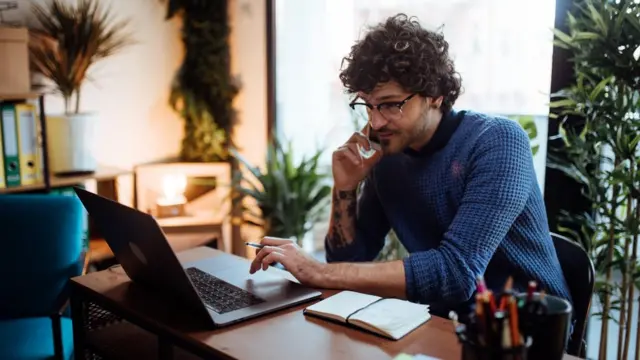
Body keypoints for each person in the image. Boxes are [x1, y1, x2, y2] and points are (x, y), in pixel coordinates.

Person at [249, 13, 571, 318]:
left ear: (435, 95)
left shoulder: (497, 142)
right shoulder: (387, 155)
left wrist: (315, 269)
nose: (375, 121)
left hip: (530, 329)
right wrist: (345, 187)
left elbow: (456, 273)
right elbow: (349, 262)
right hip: (446, 325)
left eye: (390, 104)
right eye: (368, 105)